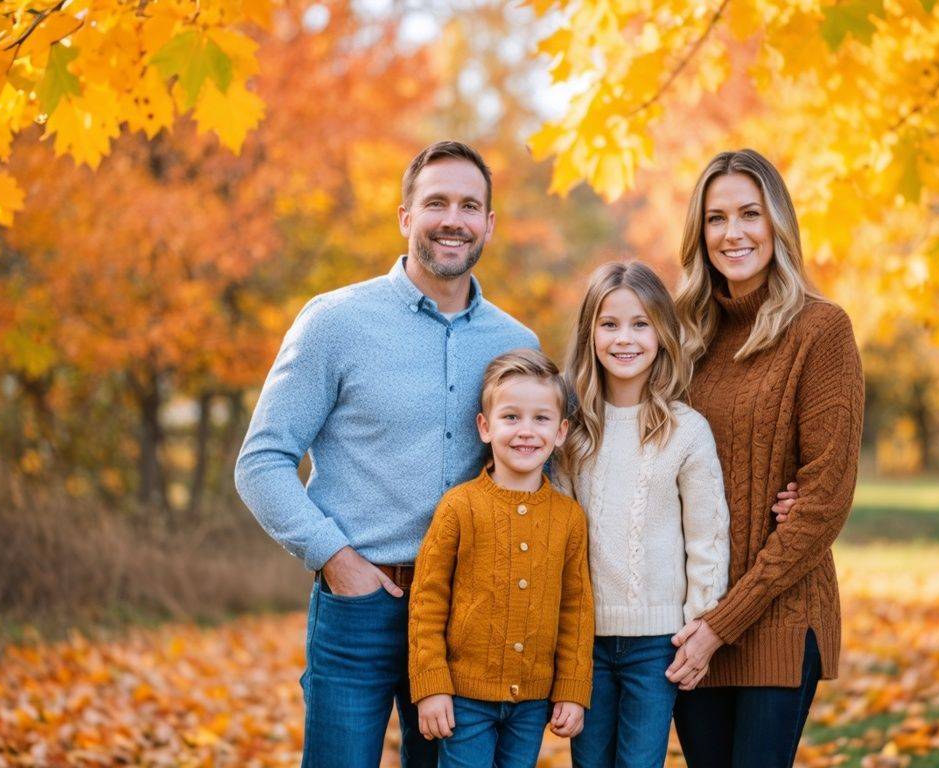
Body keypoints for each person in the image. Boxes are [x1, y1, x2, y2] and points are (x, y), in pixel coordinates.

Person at [234, 140, 537, 768]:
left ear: (489, 223)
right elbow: (261, 461)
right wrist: (337, 561)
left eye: (469, 205)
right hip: (361, 607)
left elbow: (539, 467)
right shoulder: (335, 323)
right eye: (436, 203)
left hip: (466, 613)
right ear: (406, 217)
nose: (453, 219)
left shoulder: (516, 342)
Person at [664, 148, 865, 767]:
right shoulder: (681, 337)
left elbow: (821, 504)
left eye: (750, 214)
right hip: (690, 613)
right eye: (716, 218)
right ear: (699, 233)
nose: (734, 233)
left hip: (777, 612)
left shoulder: (821, 331)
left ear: (778, 223)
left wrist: (724, 624)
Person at [556, 261, 731, 768]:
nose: (624, 338)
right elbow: (561, 539)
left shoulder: (685, 430)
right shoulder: (572, 432)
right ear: (590, 334)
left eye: (640, 324)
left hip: (657, 645)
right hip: (585, 642)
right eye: (609, 324)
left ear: (661, 333)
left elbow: (707, 537)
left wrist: (699, 625)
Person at [408, 349, 594, 768]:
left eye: (540, 419)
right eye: (511, 417)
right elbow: (427, 601)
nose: (526, 431)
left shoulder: (569, 518)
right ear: (485, 427)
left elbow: (577, 609)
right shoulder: (459, 507)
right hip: (464, 699)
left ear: (561, 431)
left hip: (531, 702)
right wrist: (431, 685)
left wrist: (572, 688)